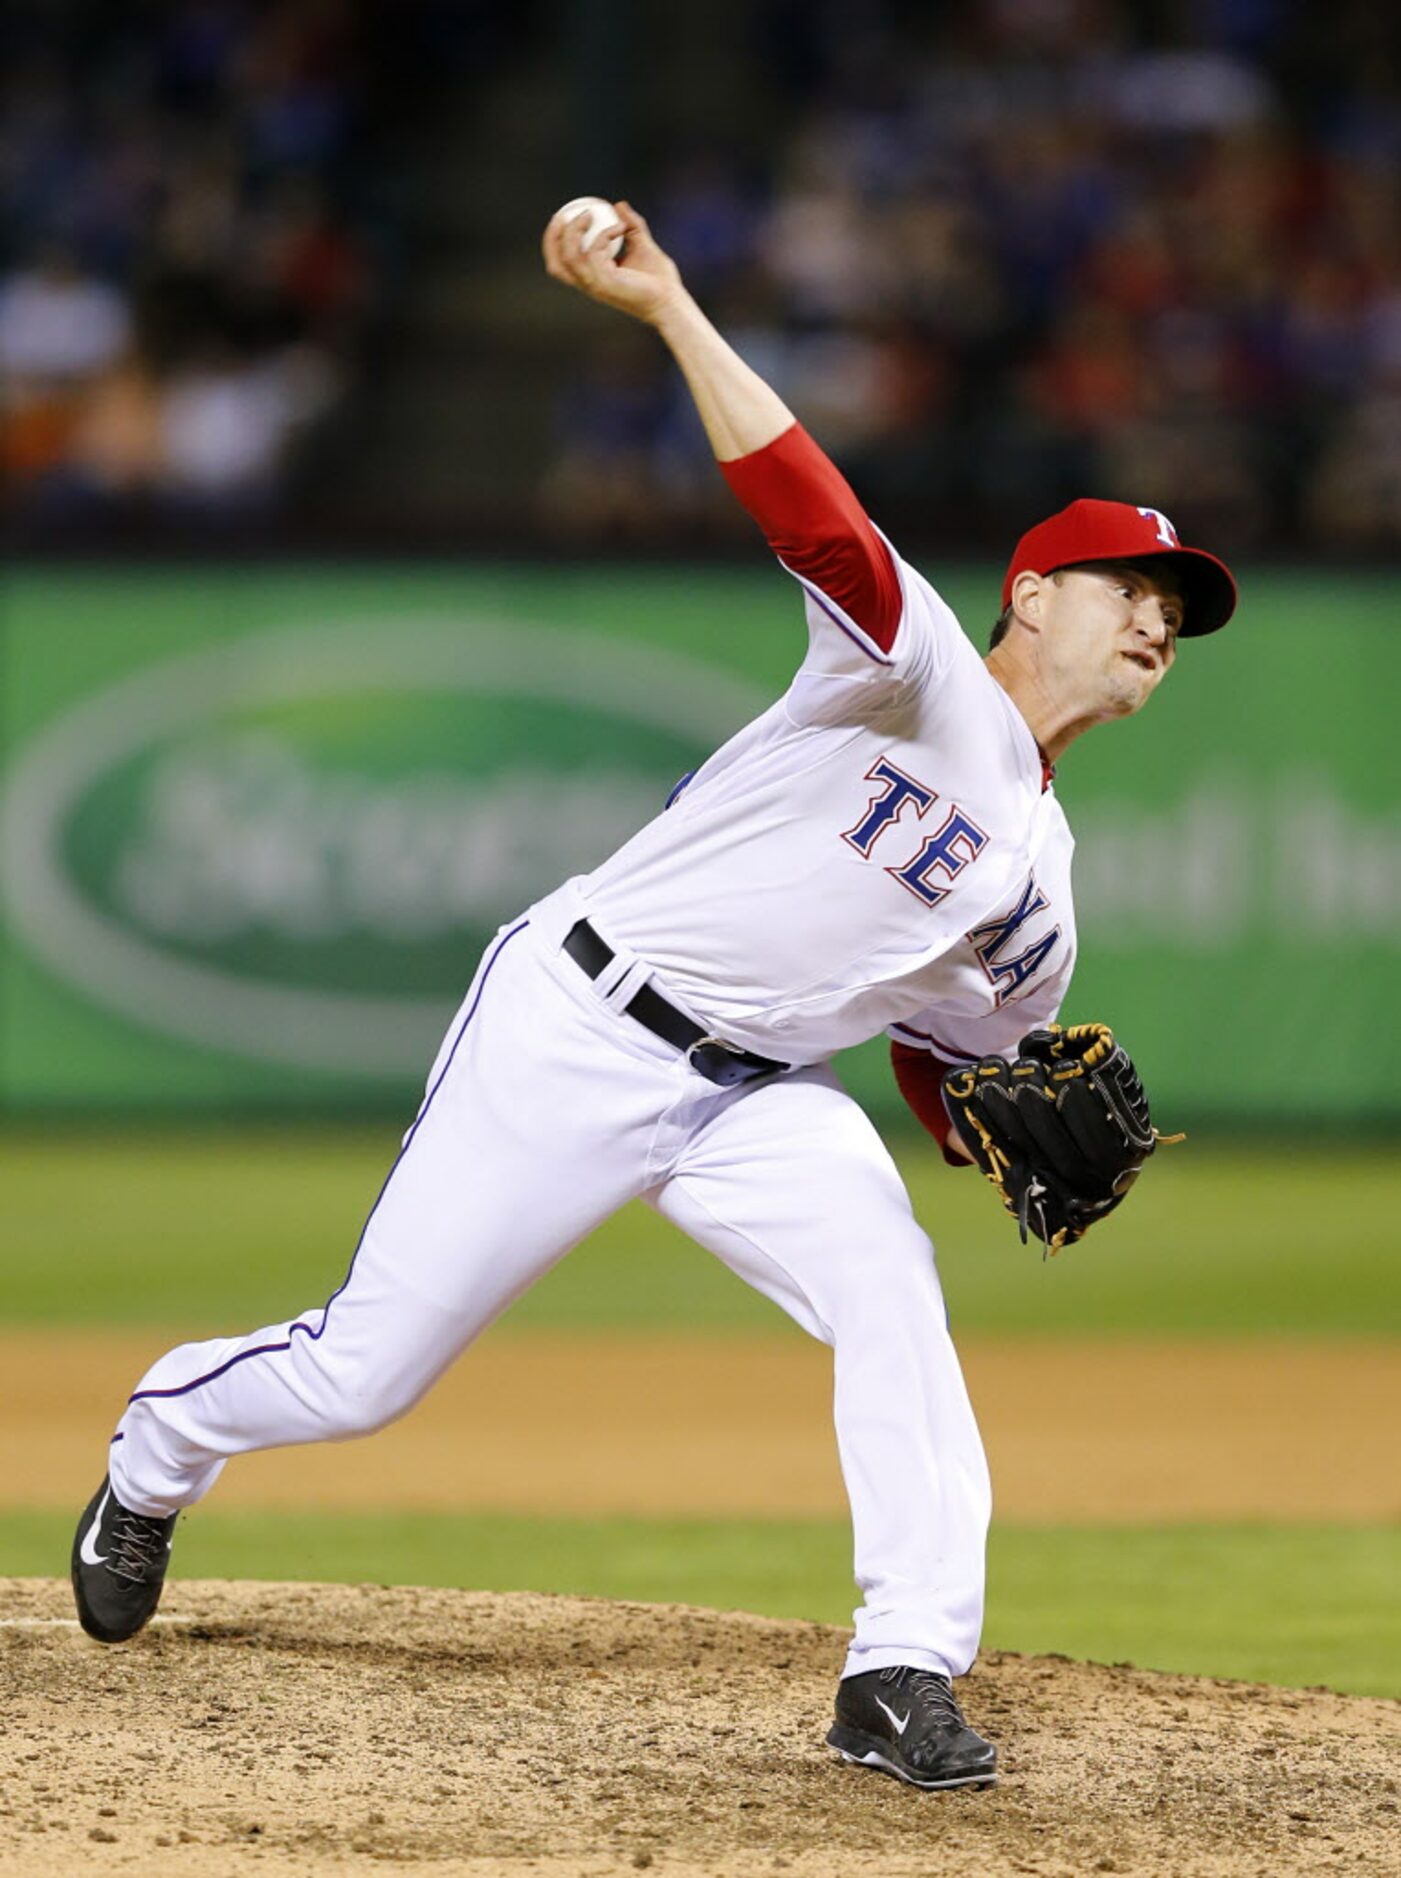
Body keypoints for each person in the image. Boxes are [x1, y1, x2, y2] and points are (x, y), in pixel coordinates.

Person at [71, 200, 1237, 1793]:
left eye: (1176, 606)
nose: (1156, 615)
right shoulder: (909, 669)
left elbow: (948, 1063)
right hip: (577, 1018)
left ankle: (899, 1666)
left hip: (750, 1097)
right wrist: (672, 306)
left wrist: (988, 1133)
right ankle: (157, 1451)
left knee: (887, 1284)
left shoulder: (1045, 889)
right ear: (1031, 594)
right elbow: (812, 513)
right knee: (365, 1373)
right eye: (1128, 583)